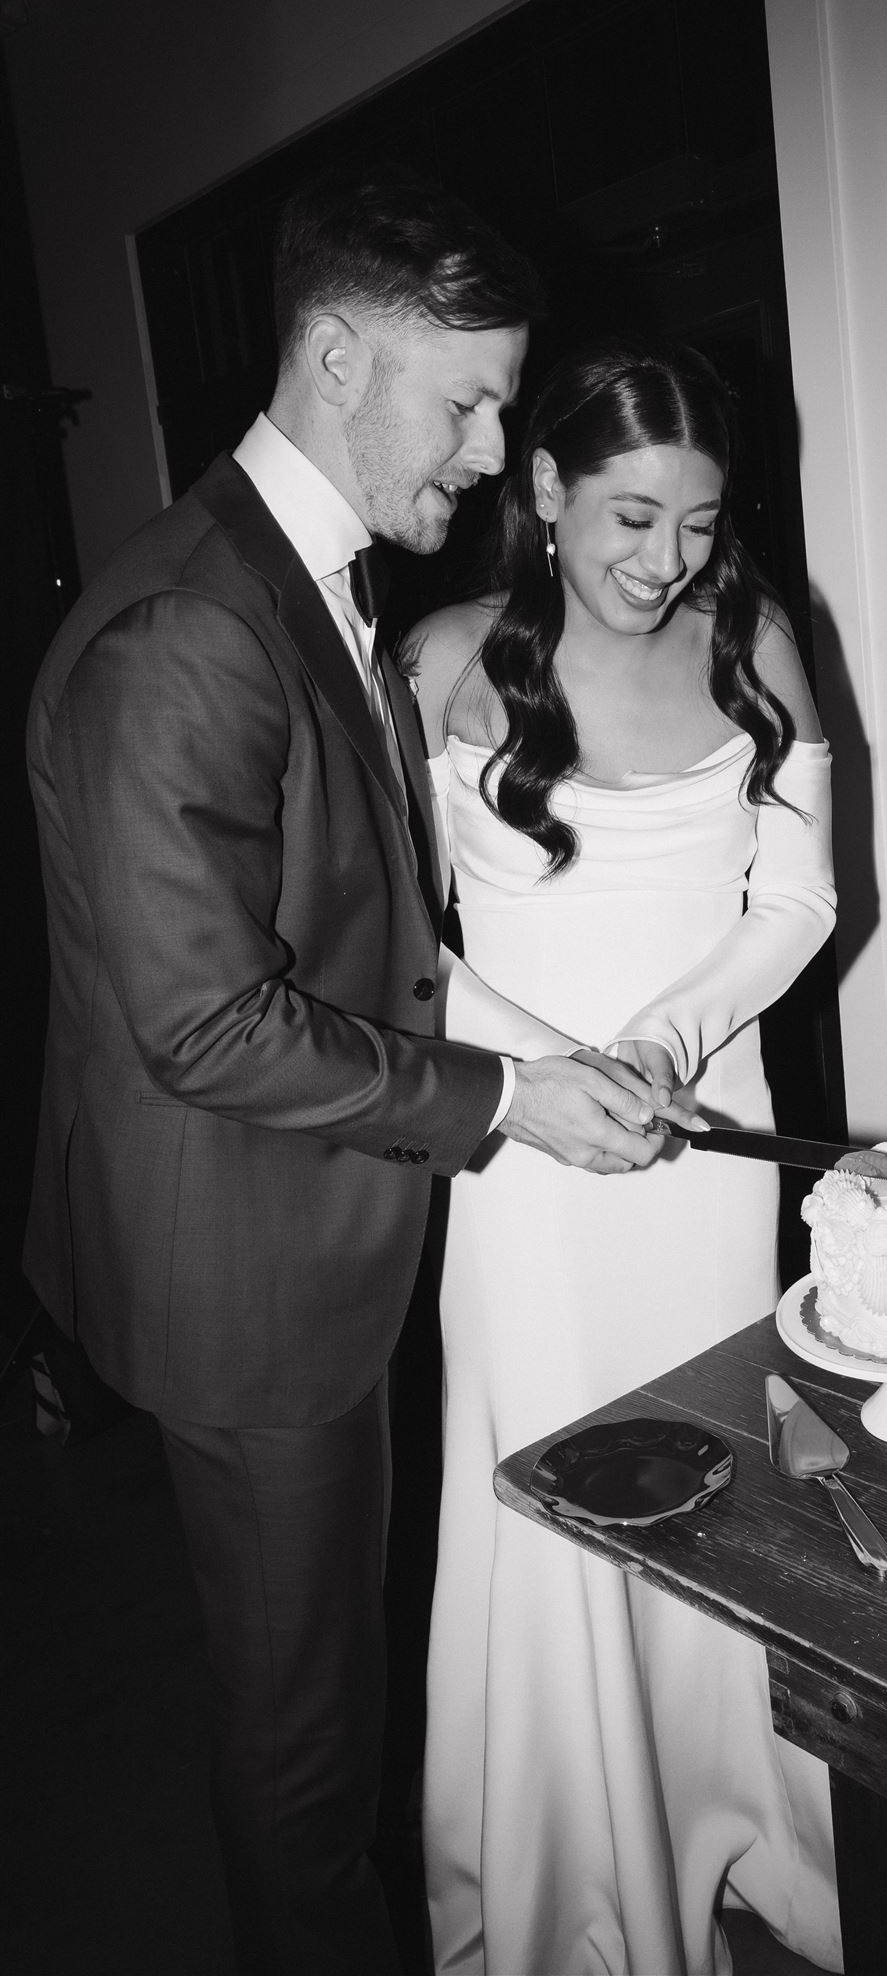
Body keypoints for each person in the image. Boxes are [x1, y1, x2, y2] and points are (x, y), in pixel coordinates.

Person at [23, 170, 681, 1976]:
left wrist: (551, 1061)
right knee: (304, 1760)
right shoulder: (192, 628)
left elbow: (373, 944)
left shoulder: (307, 584)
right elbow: (210, 1023)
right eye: (464, 400)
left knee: (327, 1712)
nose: (489, 453)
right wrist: (504, 1108)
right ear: (333, 357)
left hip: (314, 1235)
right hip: (241, 1283)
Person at [410, 337, 844, 1975]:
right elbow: (383, 937)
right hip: (523, 1180)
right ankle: (583, 1881)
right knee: (554, 1501)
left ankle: (738, 1824)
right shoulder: (443, 660)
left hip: (703, 1158)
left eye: (699, 521)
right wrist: (541, 1072)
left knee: (717, 1488)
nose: (665, 563)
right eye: (627, 517)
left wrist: (663, 1046)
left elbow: (798, 903)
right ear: (540, 492)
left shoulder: (759, 644)